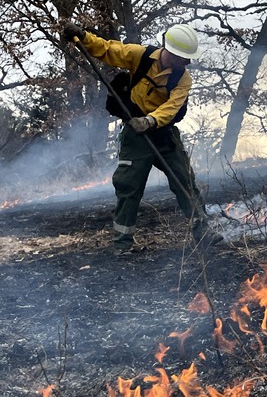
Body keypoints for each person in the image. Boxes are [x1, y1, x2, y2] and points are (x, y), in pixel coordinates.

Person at [63, 22, 223, 254]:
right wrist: (84, 37)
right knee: (129, 185)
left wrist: (150, 121)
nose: (187, 62)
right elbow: (110, 50)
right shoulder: (141, 56)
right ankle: (122, 244)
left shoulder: (183, 79)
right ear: (171, 51)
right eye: (184, 57)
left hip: (164, 134)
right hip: (134, 136)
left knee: (185, 181)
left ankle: (203, 233)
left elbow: (172, 107)